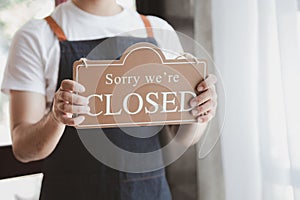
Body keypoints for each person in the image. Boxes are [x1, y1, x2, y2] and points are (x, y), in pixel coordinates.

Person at [1, 0, 217, 199]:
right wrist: (56, 118)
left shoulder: (158, 30)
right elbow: (23, 149)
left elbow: (183, 136)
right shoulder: (37, 36)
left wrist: (200, 110)